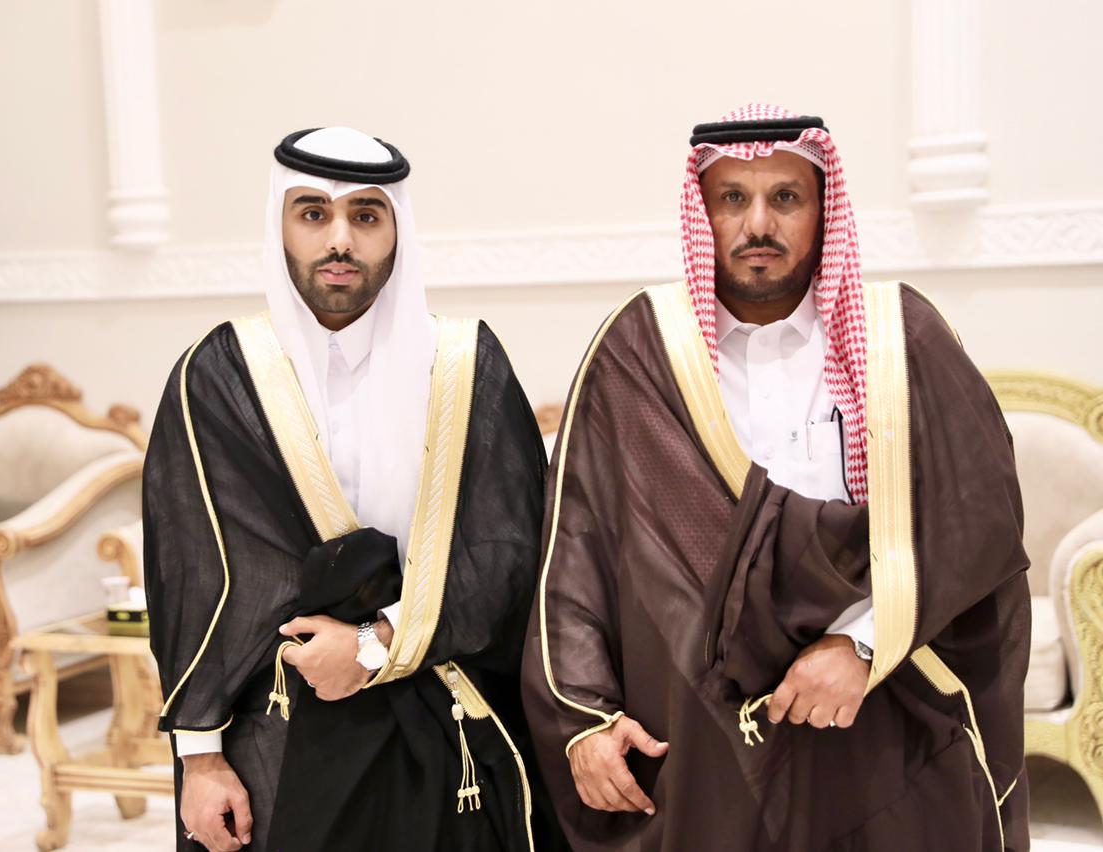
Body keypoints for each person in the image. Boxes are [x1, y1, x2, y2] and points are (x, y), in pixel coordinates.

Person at [521, 104, 1031, 850]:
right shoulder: (640, 347)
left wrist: (863, 644)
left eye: (785, 197)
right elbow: (575, 553)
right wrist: (584, 718)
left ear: (824, 210)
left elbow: (975, 521)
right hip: (696, 729)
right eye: (733, 198)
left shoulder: (900, 336)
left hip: (875, 713)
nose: (757, 223)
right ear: (702, 210)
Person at [145, 127, 560, 851]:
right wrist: (200, 759)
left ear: (398, 231)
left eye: (366, 215)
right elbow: (192, 576)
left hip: (437, 716)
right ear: (280, 225)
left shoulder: (464, 366)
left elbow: (509, 554)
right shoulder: (218, 374)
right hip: (273, 728)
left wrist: (376, 643)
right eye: (312, 213)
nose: (340, 239)